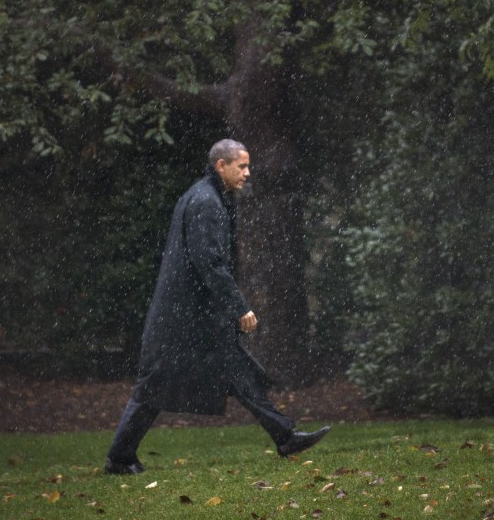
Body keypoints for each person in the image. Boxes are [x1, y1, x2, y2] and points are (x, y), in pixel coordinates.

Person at [104, 139, 330, 475]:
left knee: (236, 372)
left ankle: (285, 436)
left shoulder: (200, 196)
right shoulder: (205, 201)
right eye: (241, 166)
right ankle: (120, 458)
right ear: (220, 166)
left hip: (190, 315)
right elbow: (209, 263)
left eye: (248, 166)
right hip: (184, 318)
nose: (247, 173)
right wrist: (239, 307)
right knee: (153, 385)